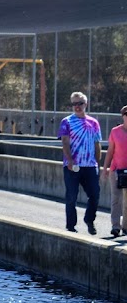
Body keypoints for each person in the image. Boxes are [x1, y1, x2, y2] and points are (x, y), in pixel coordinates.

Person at [58, 91, 102, 234]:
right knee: (72, 196)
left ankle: (89, 220)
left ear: (86, 104)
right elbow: (65, 142)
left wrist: (97, 163)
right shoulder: (67, 121)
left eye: (80, 103)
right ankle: (71, 226)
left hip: (90, 165)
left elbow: (97, 144)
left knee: (95, 194)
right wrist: (69, 160)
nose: (77, 106)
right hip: (72, 165)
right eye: (74, 104)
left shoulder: (94, 122)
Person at [101, 105, 127, 236]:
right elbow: (110, 151)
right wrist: (105, 168)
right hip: (116, 170)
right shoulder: (115, 132)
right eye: (126, 114)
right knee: (116, 198)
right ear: (123, 116)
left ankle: (126, 226)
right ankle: (115, 226)